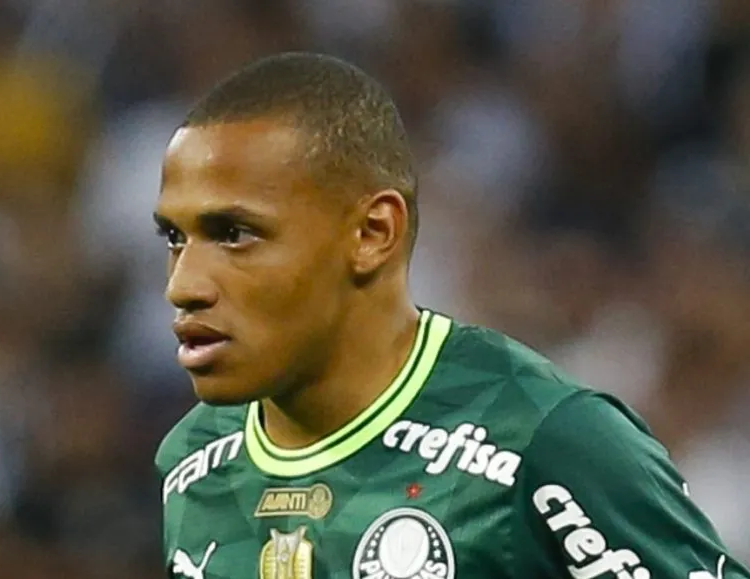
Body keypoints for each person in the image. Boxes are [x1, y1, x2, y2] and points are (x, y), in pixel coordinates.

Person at [152, 52, 748, 579]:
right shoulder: (193, 464)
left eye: (234, 234)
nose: (184, 286)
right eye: (175, 238)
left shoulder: (541, 440)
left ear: (371, 232)